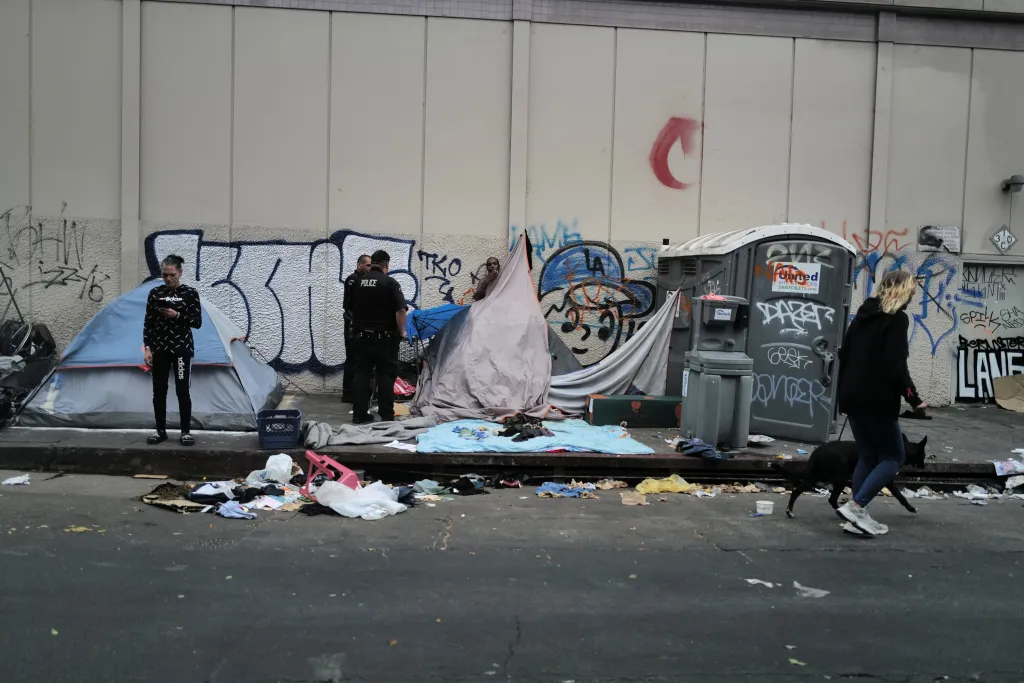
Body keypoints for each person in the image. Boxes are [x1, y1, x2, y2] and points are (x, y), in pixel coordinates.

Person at [835, 270, 927, 536]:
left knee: (868, 454)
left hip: (852, 396)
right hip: (877, 398)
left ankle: (855, 515)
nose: (912, 296)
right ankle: (857, 506)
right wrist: (914, 398)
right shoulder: (896, 320)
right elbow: (895, 366)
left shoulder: (863, 314)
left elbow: (846, 353)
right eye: (911, 290)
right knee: (893, 456)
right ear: (902, 291)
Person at [143, 254, 203, 446]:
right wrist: (147, 348)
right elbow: (148, 323)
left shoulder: (190, 293)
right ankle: (160, 430)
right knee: (158, 391)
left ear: (180, 273)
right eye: (164, 275)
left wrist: (177, 315)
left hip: (181, 349)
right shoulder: (155, 293)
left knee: (182, 390)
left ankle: (185, 432)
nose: (168, 279)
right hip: (159, 349)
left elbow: (197, 322)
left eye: (172, 275)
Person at [348, 250, 408, 424]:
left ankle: (359, 415)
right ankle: (386, 415)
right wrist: (402, 331)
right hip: (385, 340)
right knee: (385, 377)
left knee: (361, 375)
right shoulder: (389, 283)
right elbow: (401, 310)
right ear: (386, 265)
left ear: (372, 263)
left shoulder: (357, 282)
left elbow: (349, 307)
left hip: (361, 337)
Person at [341, 254, 372, 402]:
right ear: (359, 265)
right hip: (352, 325)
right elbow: (350, 304)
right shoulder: (353, 279)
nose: (369, 268)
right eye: (367, 265)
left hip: (360, 325)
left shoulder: (364, 280)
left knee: (359, 360)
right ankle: (347, 393)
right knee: (351, 359)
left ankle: (357, 392)